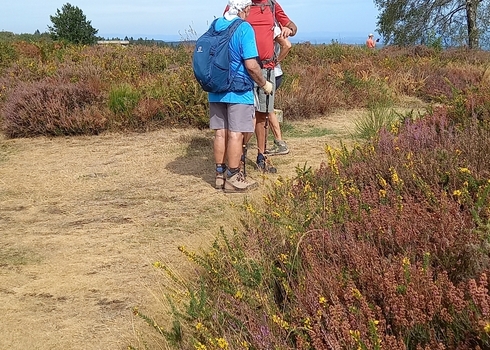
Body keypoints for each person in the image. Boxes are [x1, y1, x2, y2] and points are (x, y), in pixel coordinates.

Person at [209, 0, 273, 192]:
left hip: (216, 87)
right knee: (236, 134)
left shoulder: (216, 24)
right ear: (245, 9)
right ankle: (234, 177)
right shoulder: (244, 28)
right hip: (238, 88)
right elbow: (252, 65)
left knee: (220, 132)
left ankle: (220, 175)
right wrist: (264, 84)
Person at [225, 0, 296, 171]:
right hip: (242, 69)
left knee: (263, 116)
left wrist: (289, 29)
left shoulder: (272, 5)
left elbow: (292, 26)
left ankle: (261, 157)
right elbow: (225, 27)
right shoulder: (239, 3)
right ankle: (239, 157)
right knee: (245, 115)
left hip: (266, 68)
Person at [265, 23, 292, 156]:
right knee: (264, 110)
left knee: (267, 109)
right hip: (272, 74)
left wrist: (275, 62)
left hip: (272, 74)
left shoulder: (273, 27)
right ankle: (266, 142)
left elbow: (287, 45)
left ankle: (280, 143)